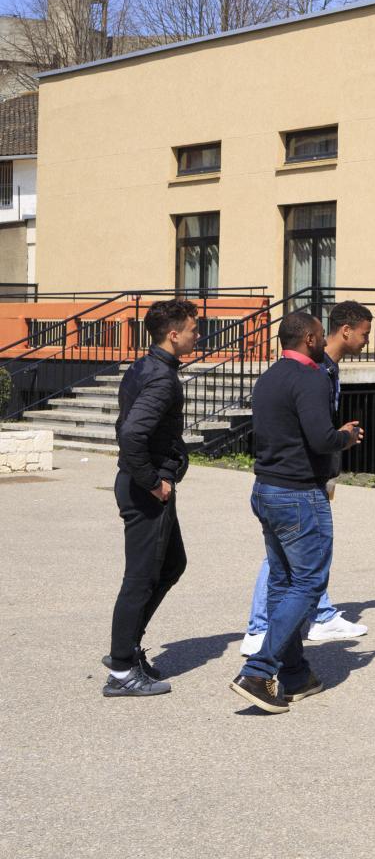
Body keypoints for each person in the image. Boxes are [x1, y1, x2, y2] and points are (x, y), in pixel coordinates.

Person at [229, 311, 364, 714]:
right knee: (307, 584)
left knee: (283, 584)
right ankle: (258, 671)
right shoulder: (310, 378)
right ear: (308, 338)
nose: (324, 342)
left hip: (266, 489)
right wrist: (348, 436)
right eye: (320, 336)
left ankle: (293, 674)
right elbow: (321, 439)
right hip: (298, 495)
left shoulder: (269, 377)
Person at [102, 298, 199, 697]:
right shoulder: (161, 378)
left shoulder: (145, 366)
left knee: (172, 563)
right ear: (173, 334)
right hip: (145, 491)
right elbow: (131, 434)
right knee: (140, 578)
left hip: (142, 484)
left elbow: (125, 425)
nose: (198, 335)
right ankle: (122, 669)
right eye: (194, 329)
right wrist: (153, 481)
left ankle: (128, 649)